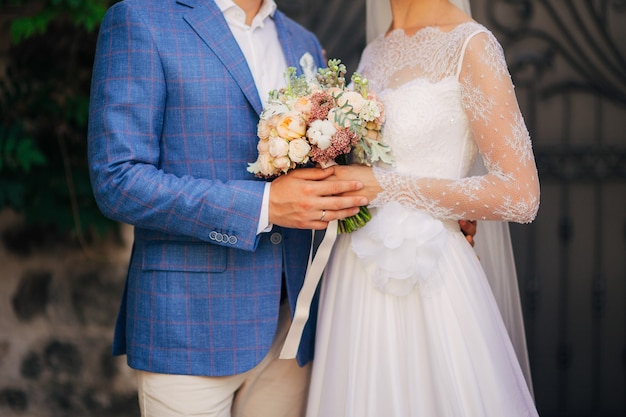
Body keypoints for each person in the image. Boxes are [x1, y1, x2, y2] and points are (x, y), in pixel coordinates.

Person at [86, 0, 369, 416]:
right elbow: (118, 180)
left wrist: (429, 213)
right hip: (190, 326)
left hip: (294, 327)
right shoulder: (141, 20)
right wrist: (264, 205)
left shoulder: (301, 40)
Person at [305, 0, 541, 415]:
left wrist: (385, 186)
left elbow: (519, 195)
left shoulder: (472, 44)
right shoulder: (375, 49)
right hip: (354, 272)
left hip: (427, 270)